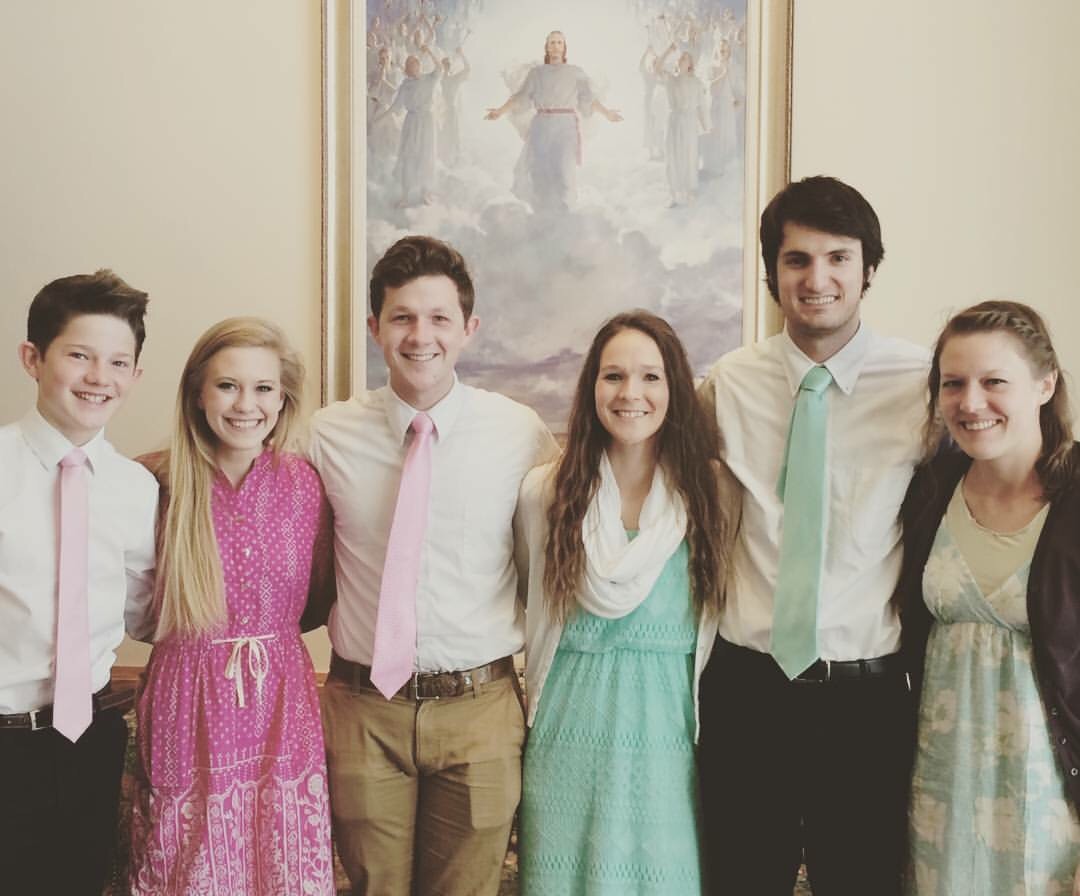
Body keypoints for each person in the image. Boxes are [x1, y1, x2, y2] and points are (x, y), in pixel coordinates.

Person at [697, 175, 928, 895]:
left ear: (868, 269)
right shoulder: (727, 384)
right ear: (772, 273)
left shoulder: (924, 385)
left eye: (838, 258)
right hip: (746, 690)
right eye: (796, 259)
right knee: (738, 880)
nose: (817, 278)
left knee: (861, 881)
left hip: (867, 700)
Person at [310, 234, 558, 895]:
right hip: (363, 708)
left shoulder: (519, 432)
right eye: (402, 317)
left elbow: (552, 555)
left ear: (469, 329)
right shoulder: (326, 434)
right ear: (374, 328)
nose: (421, 336)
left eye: (439, 318)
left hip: (480, 710)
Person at [515, 311, 739, 894]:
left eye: (650, 376)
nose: (630, 393)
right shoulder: (546, 492)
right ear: (592, 387)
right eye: (613, 376)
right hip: (566, 734)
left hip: (667, 740)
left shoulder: (713, 493)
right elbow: (525, 594)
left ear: (675, 388)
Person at [128, 317, 335, 895]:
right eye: (227, 385)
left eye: (263, 387)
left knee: (282, 862)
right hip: (185, 697)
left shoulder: (305, 484)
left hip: (282, 695)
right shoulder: (155, 481)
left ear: (283, 397)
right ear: (198, 393)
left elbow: (319, 594)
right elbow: (131, 602)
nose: (247, 404)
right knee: (184, 861)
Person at [898, 301, 1080, 894]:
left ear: (1045, 385)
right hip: (939, 796)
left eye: (994, 381)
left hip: (1047, 806)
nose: (970, 403)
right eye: (953, 384)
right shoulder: (929, 491)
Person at [0, 270, 157, 895]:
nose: (99, 377)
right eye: (79, 356)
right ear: (32, 359)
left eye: (118, 362)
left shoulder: (135, 487)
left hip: (88, 739)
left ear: (136, 376)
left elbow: (146, 610)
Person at [485, 30, 623, 213]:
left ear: (564, 47)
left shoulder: (575, 72)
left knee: (565, 170)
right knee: (539, 170)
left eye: (559, 42)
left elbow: (588, 100)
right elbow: (521, 97)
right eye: (552, 43)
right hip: (541, 125)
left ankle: (566, 213)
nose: (556, 46)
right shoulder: (536, 73)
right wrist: (500, 111)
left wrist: (607, 113)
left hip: (565, 126)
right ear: (547, 47)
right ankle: (541, 214)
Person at [373, 45, 442, 207]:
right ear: (408, 69)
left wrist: (429, 51)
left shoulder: (429, 79)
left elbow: (439, 68)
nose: (414, 68)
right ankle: (405, 195)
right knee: (408, 156)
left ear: (419, 65)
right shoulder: (405, 85)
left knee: (426, 155)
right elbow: (395, 107)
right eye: (410, 66)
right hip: (411, 123)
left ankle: (425, 193)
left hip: (427, 122)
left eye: (415, 65)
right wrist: (379, 119)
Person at [657, 45, 707, 206]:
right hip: (674, 121)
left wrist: (705, 126)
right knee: (672, 156)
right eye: (680, 57)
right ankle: (673, 193)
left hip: (690, 123)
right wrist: (668, 50)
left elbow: (700, 106)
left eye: (685, 57)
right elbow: (657, 66)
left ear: (690, 63)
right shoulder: (671, 79)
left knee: (689, 156)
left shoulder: (696, 83)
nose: (680, 59)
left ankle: (688, 190)